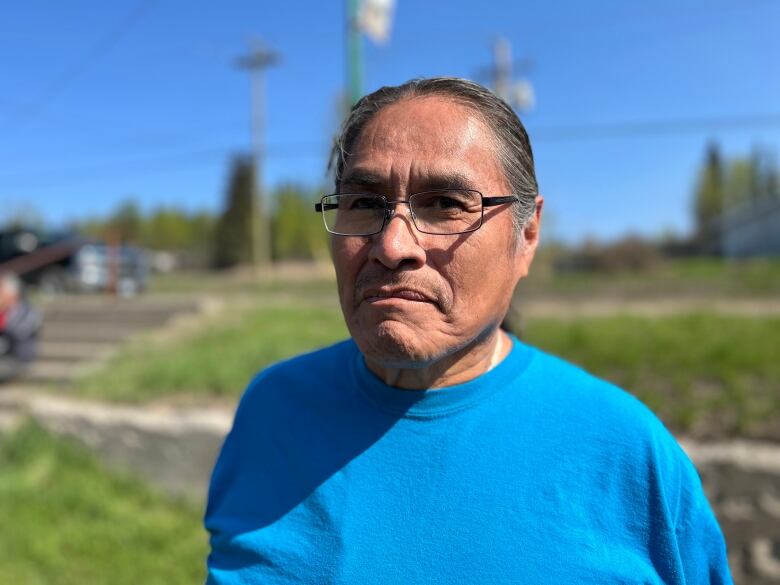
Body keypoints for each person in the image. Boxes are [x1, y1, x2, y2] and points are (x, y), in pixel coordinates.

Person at [205, 77, 732, 584]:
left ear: (526, 234)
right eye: (365, 203)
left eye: (444, 204)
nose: (393, 246)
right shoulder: (272, 412)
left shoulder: (626, 454)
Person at [0, 271, 42, 382]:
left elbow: (19, 332)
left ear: (12, 293)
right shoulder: (5, 312)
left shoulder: (28, 311)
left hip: (18, 359)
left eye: (1, 291)